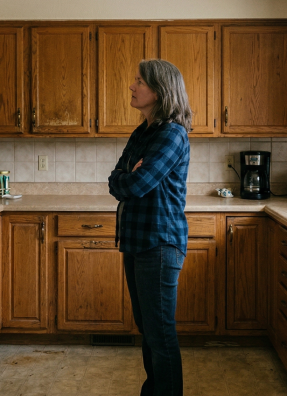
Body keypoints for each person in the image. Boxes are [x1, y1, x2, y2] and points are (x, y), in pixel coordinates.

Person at [108, 59, 192, 396]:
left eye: (139, 81)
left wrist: (128, 176)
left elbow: (138, 184)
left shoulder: (172, 134)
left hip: (159, 243)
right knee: (148, 327)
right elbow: (115, 182)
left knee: (160, 332)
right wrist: (126, 176)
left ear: (158, 91)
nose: (132, 86)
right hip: (137, 241)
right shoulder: (142, 132)